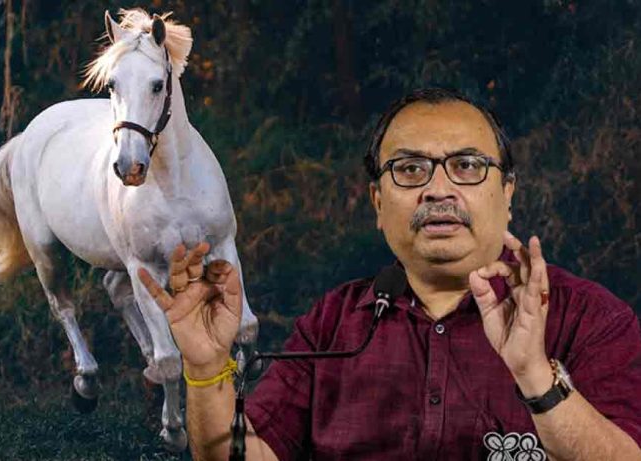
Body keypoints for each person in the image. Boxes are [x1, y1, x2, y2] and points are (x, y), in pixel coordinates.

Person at [138, 88, 641, 460]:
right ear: (379, 203)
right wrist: (206, 370)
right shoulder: (335, 322)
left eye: (466, 166)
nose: (438, 190)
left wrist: (536, 376)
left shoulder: (590, 319)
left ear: (508, 191)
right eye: (410, 169)